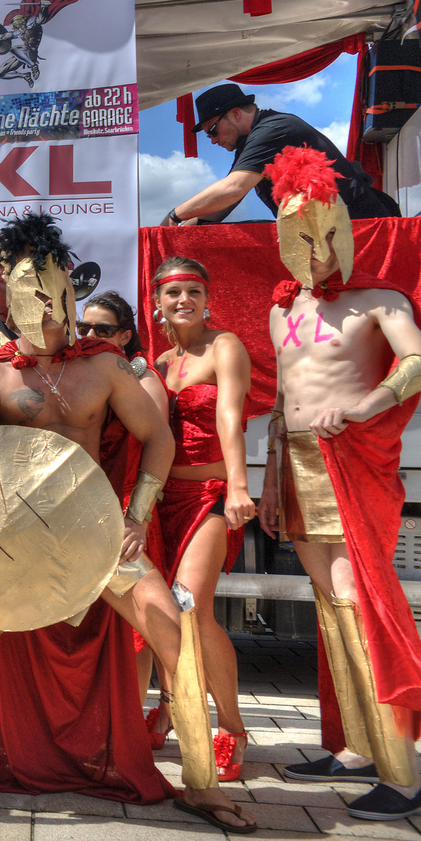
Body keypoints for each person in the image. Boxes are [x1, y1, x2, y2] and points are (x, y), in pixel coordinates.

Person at [0, 214, 254, 831]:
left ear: (70, 294)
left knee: (170, 625)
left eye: (60, 296)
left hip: (101, 532)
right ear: (13, 298)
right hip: (17, 539)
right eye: (36, 296)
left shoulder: (104, 366)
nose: (51, 310)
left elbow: (157, 440)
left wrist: (136, 514)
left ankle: (202, 786)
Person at [260, 145, 421, 820]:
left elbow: (417, 362)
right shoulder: (281, 312)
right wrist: (274, 480)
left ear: (343, 225)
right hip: (297, 462)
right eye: (292, 228)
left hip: (349, 461)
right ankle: (357, 750)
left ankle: (404, 776)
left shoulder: (378, 300)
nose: (310, 244)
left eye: (321, 225)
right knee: (329, 608)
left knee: (359, 604)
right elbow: (282, 402)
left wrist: (365, 405)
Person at [149, 257, 253, 781]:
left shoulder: (225, 345)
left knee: (191, 607)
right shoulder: (160, 361)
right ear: (158, 302)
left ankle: (231, 728)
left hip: (211, 494)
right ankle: (173, 710)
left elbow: (231, 417)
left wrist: (238, 487)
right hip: (162, 500)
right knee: (165, 612)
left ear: (207, 297)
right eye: (174, 293)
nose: (183, 300)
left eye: (193, 290)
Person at [78, 291, 172, 741]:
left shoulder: (141, 377)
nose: (90, 336)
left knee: (137, 627)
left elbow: (157, 444)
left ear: (126, 334)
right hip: (93, 512)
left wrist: (138, 518)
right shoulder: (88, 373)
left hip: (131, 510)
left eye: (103, 329)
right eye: (84, 328)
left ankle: (132, 726)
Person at [162, 83, 398, 226]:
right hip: (331, 235)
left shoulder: (273, 130)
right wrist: (186, 228)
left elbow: (232, 189)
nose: (213, 140)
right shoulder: (252, 142)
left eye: (213, 131)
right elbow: (227, 202)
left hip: (364, 230)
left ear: (235, 114)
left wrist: (175, 215)